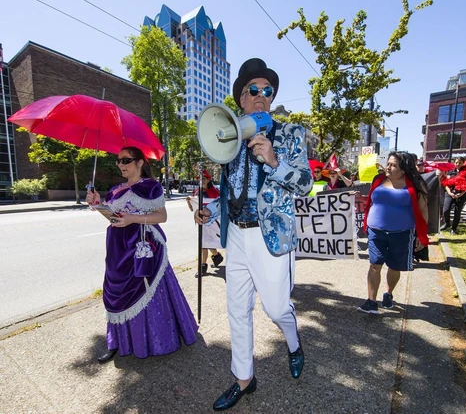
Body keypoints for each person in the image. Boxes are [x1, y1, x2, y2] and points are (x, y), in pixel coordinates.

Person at [194, 58, 313, 411]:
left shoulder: (290, 133)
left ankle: (294, 343)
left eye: (268, 91)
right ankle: (244, 378)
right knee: (237, 310)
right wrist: (211, 210)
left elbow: (306, 185)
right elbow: (232, 191)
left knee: (277, 309)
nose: (262, 96)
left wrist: (275, 162)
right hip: (238, 239)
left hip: (271, 238)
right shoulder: (229, 137)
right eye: (254, 90)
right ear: (241, 99)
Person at [86, 146, 198, 363]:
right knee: (116, 292)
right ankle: (118, 341)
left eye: (126, 160)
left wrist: (132, 219)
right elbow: (114, 218)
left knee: (143, 288)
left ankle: (153, 340)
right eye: (118, 160)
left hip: (143, 247)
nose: (120, 165)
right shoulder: (115, 189)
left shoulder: (150, 187)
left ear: (140, 163)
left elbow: (162, 217)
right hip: (118, 249)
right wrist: (98, 203)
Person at [358, 151, 428, 314]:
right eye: (388, 163)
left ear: (404, 169)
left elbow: (423, 209)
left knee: (394, 266)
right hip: (376, 232)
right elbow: (373, 200)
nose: (387, 167)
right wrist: (360, 197)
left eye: (393, 165)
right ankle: (371, 302)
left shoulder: (416, 184)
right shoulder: (379, 180)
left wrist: (422, 235)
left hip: (402, 233)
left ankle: (388, 294)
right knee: (375, 265)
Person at [187, 170, 224, 277]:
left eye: (204, 179)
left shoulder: (215, 192)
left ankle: (212, 261)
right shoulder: (196, 192)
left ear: (208, 179)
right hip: (201, 223)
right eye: (200, 179)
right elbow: (192, 209)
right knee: (204, 244)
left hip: (212, 223)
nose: (202, 181)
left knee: (207, 243)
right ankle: (206, 265)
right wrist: (188, 201)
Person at [440, 156, 466, 234]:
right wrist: (449, 192)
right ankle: (447, 223)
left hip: (461, 194)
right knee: (446, 210)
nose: (457, 164)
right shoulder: (450, 171)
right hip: (450, 192)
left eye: (460, 163)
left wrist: (460, 194)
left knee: (457, 212)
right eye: (456, 162)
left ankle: (454, 228)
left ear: (463, 163)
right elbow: (445, 183)